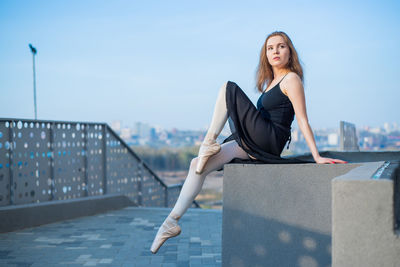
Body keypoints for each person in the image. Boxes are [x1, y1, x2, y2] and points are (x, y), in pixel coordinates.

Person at [150, 30, 347, 254]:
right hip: (256, 142)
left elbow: (302, 119)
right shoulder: (271, 83)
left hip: (270, 139)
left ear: (289, 51)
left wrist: (317, 156)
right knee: (197, 164)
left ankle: (208, 141)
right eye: (270, 48)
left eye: (281, 46)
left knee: (228, 88)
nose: (275, 51)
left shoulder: (291, 79)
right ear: (265, 54)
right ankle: (171, 222)